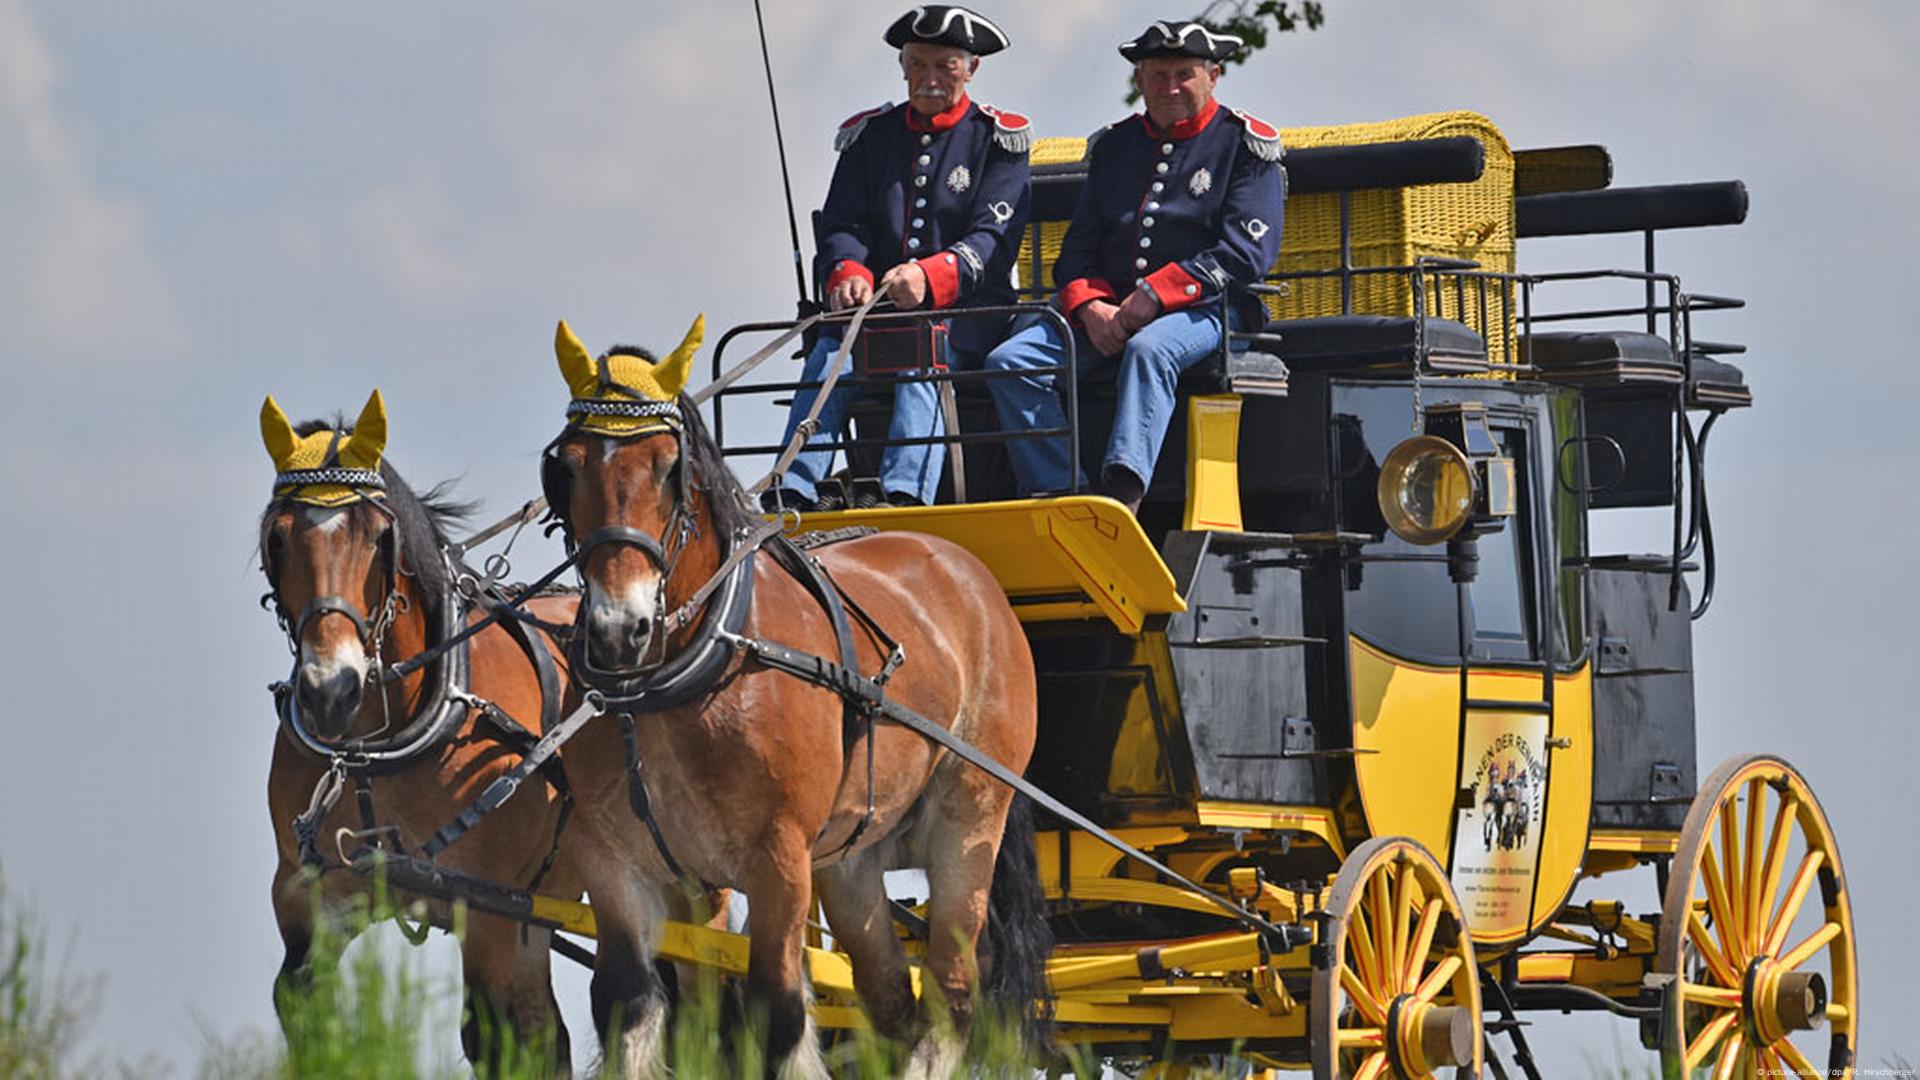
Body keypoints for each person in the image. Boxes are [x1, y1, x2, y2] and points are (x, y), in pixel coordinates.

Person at [982, 19, 1285, 512]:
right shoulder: (1114, 147)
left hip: (1210, 309)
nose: (1170, 88)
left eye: (1184, 74)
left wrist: (1156, 294)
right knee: (1009, 361)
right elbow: (1078, 250)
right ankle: (1060, 490)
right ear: (1139, 81)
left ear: (1214, 76)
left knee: (1149, 350)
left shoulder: (1245, 146)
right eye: (1158, 75)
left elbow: (1249, 252)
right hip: (1109, 309)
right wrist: (1091, 308)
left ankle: (1124, 493)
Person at [766, 5, 1031, 512]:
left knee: (920, 353)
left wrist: (928, 277)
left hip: (967, 315)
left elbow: (991, 239)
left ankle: (902, 492)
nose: (930, 80)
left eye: (945, 67)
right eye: (919, 65)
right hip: (875, 314)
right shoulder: (872, 138)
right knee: (828, 356)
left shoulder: (998, 141)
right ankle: (792, 488)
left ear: (970, 69)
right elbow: (844, 223)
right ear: (904, 67)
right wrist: (849, 273)